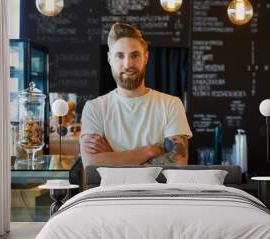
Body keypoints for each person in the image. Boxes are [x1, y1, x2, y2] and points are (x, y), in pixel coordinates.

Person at [80, 22, 192, 167]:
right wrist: (150, 151)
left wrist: (113, 158)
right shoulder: (94, 108)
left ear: (145, 58)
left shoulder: (171, 104)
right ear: (109, 59)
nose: (128, 64)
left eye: (135, 55)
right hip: (111, 191)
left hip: (157, 191)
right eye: (120, 56)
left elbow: (178, 162)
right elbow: (91, 163)